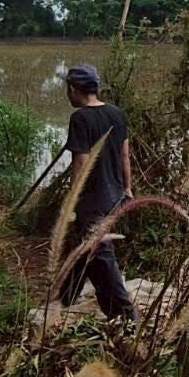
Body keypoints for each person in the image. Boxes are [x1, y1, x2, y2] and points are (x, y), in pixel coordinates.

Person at [56, 64, 136, 321]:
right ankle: (67, 294)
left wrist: (72, 199)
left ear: (73, 89)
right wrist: (127, 188)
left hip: (92, 198)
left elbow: (81, 162)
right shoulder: (117, 113)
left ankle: (124, 315)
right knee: (85, 243)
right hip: (114, 194)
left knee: (100, 253)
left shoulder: (80, 118)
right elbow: (125, 155)